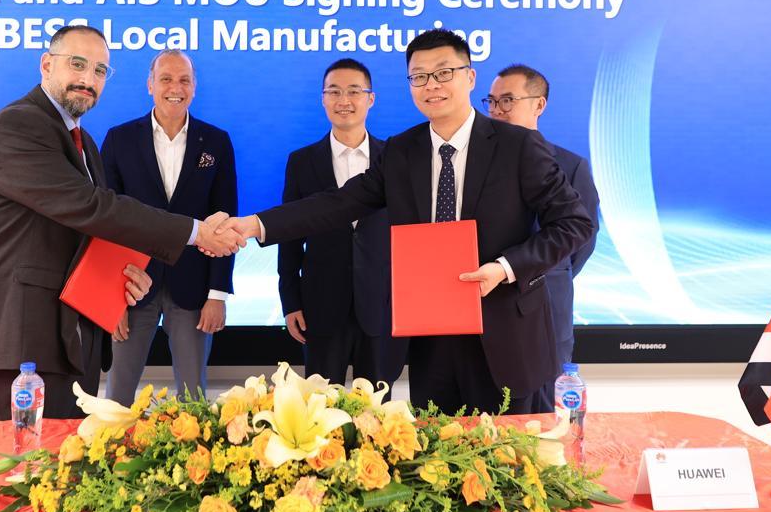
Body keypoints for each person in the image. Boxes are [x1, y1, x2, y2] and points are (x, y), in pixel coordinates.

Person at [219, 29, 593, 414]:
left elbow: (575, 223)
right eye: (419, 76)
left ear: (470, 77)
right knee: (436, 447)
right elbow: (338, 202)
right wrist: (254, 225)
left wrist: (505, 268)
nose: (431, 85)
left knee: (510, 449)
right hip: (431, 338)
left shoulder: (518, 145)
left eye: (443, 72)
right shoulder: (402, 151)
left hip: (505, 335)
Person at [0, 26, 244, 420]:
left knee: (62, 456)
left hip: (62, 340)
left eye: (100, 70)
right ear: (46, 65)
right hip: (14, 343)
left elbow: (87, 230)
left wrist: (123, 277)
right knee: (17, 457)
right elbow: (92, 207)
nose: (89, 78)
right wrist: (196, 231)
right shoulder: (17, 125)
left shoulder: (81, 141)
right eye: (78, 64)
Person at [100, 50, 238, 404]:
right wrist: (110, 299)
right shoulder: (119, 139)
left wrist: (218, 295)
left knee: (193, 399)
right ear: (150, 85)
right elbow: (106, 223)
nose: (175, 88)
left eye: (184, 80)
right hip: (131, 287)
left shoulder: (217, 142)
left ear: (194, 87)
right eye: (166, 79)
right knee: (117, 398)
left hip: (193, 288)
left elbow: (226, 221)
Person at [277, 58, 406, 386]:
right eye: (333, 92)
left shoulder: (395, 158)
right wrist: (290, 301)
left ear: (370, 99)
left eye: (353, 91)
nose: (343, 100)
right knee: (319, 406)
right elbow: (290, 238)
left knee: (378, 408)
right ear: (323, 99)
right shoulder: (302, 161)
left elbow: (408, 232)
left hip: (381, 306)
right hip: (321, 307)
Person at [486, 64, 599, 410]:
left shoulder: (570, 166)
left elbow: (579, 243)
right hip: (486, 309)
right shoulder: (477, 163)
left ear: (539, 105)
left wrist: (532, 272)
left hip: (546, 311)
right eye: (491, 101)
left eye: (508, 100)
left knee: (544, 425)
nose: (497, 110)